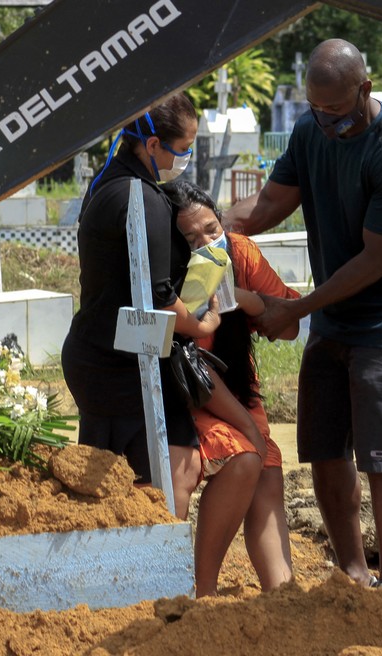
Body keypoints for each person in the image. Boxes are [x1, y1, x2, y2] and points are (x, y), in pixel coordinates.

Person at [225, 39, 382, 591]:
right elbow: (271, 203)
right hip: (335, 315)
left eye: (337, 113)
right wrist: (210, 228)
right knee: (322, 446)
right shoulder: (310, 130)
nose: (326, 124)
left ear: (364, 91)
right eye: (316, 111)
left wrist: (294, 308)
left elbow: (375, 261)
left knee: (379, 454)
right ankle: (352, 571)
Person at [61, 93, 264, 520]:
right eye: (183, 148)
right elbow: (161, 299)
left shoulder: (109, 184)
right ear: (152, 145)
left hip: (103, 353)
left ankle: (131, 572)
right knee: (173, 473)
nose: (187, 158)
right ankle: (152, 574)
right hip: (121, 364)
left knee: (145, 476)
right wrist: (202, 321)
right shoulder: (143, 200)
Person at [166, 179, 299, 597]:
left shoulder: (239, 252)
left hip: (238, 388)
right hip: (188, 394)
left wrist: (243, 299)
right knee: (246, 455)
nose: (206, 243)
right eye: (190, 238)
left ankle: (283, 596)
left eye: (211, 230)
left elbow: (291, 321)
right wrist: (248, 427)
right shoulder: (167, 277)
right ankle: (202, 591)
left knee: (267, 474)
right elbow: (194, 373)